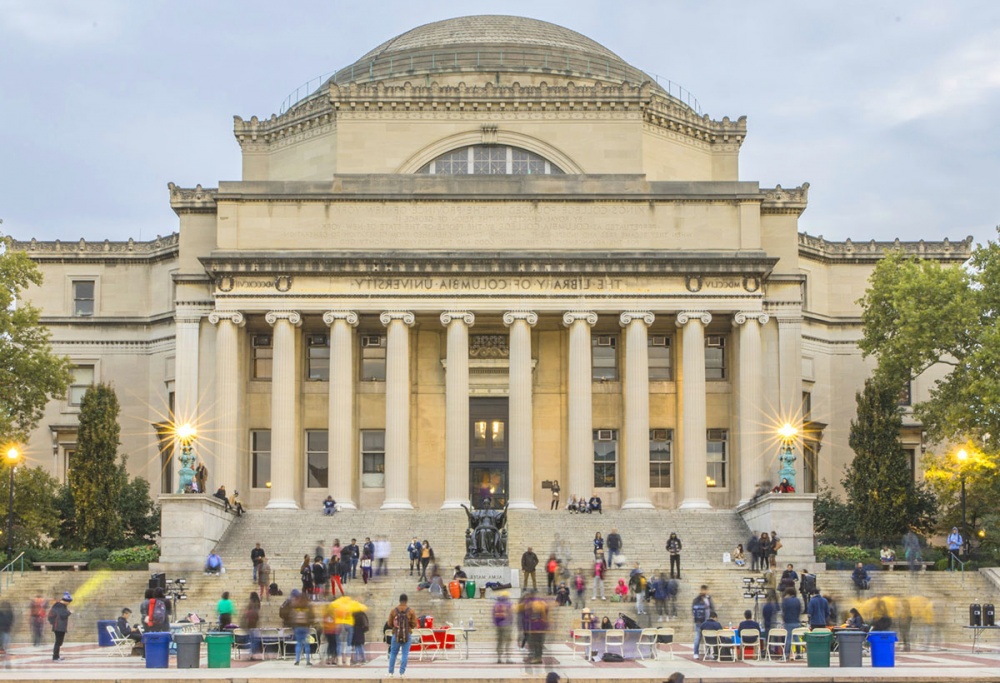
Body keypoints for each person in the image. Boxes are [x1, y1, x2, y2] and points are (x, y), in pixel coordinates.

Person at [387, 593, 418, 677]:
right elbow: (414, 623)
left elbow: (389, 623)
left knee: (393, 653)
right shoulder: (411, 611)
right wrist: (408, 627)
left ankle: (390, 672)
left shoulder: (394, 611)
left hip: (395, 634)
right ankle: (402, 673)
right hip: (407, 634)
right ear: (406, 600)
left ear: (399, 600)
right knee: (405, 654)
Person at [286, 590, 314, 666]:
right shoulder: (307, 606)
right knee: (306, 644)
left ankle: (297, 660)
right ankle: (308, 660)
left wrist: (293, 626)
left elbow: (291, 617)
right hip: (305, 627)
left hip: (297, 627)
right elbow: (311, 617)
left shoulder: (295, 606)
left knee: (298, 644)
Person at [48, 591, 73, 661]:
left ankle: (57, 656)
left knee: (59, 642)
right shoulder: (59, 606)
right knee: (58, 642)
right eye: (68, 602)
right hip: (58, 627)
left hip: (60, 626)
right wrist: (69, 612)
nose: (69, 604)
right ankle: (55, 657)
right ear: (65, 601)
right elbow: (62, 615)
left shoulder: (61, 606)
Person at [691, 585, 713, 659]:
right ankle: (695, 653)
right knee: (698, 637)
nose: (704, 592)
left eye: (705, 590)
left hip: (708, 620)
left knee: (708, 637)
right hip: (699, 621)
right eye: (703, 590)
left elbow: (712, 608)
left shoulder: (708, 598)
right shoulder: (697, 599)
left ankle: (708, 652)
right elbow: (693, 609)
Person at [781, 588, 803, 659]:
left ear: (788, 593)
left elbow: (783, 611)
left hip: (788, 622)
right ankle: (799, 653)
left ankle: (787, 654)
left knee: (788, 639)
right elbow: (800, 610)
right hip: (796, 621)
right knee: (796, 638)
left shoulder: (786, 601)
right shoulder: (797, 601)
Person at [494, 590, 514, 663]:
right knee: (508, 641)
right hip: (507, 624)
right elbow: (511, 613)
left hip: (499, 625)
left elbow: (493, 615)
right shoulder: (509, 603)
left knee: (500, 641)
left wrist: (496, 623)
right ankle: (508, 658)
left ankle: (499, 657)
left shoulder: (496, 604)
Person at [0, 601, 14, 667]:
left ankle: (7, 662)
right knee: (5, 647)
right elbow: (11, 621)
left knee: (5, 647)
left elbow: (10, 621)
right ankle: (7, 662)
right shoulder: (9, 613)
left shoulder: (9, 613)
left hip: (5, 630)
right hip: (5, 630)